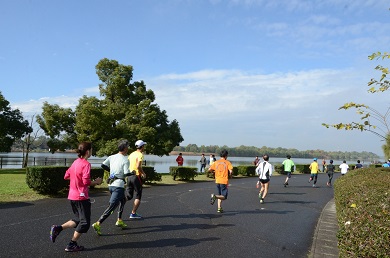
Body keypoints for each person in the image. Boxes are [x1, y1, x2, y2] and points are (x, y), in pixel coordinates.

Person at [50, 142, 102, 252]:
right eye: (91, 150)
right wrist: (96, 182)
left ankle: (58, 228)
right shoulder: (86, 164)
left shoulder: (75, 162)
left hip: (72, 196)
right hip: (81, 197)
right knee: (85, 223)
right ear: (88, 151)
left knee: (78, 220)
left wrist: (75, 180)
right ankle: (71, 244)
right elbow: (86, 181)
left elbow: (66, 176)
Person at [92, 140, 131, 236]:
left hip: (111, 185)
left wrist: (111, 171)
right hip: (118, 186)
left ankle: (119, 220)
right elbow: (126, 173)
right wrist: (133, 172)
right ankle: (98, 223)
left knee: (123, 200)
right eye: (128, 147)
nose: (128, 148)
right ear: (125, 148)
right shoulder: (126, 159)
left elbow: (103, 165)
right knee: (112, 206)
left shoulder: (112, 157)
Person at [126, 139, 147, 219]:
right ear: (142, 147)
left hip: (130, 176)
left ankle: (120, 203)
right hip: (136, 176)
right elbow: (138, 166)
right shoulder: (140, 155)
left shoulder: (131, 154)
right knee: (138, 195)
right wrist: (143, 173)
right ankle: (133, 213)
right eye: (144, 146)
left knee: (129, 195)